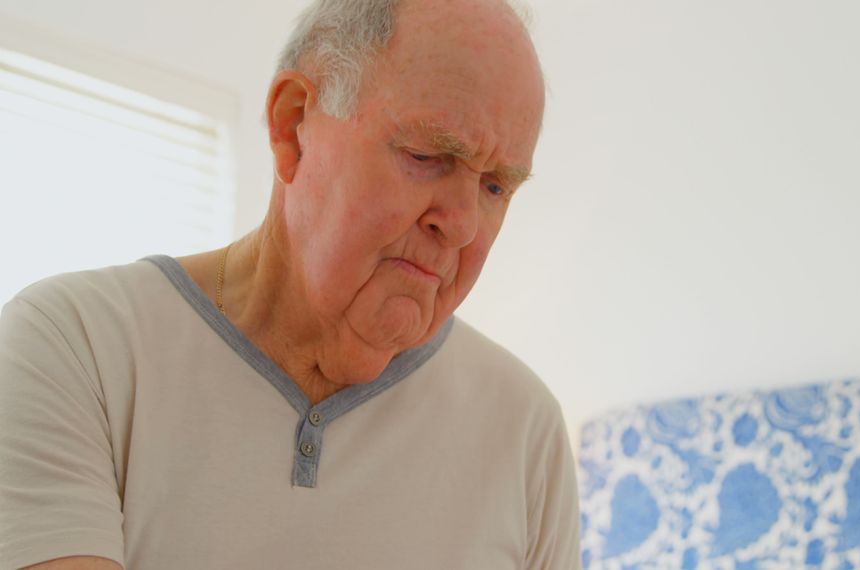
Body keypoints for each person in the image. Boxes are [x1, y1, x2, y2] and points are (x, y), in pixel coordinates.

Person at [0, 0, 581, 568]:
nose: (460, 225)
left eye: (496, 187)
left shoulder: (526, 431)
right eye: (427, 155)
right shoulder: (73, 347)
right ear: (293, 126)